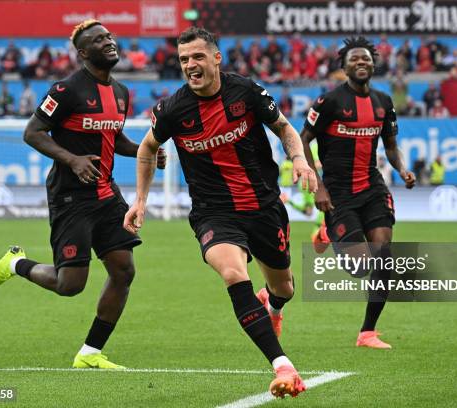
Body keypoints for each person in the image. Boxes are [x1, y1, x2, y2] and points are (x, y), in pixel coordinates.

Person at [123, 27, 316, 398]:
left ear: (215, 57)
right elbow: (148, 148)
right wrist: (141, 200)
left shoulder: (246, 91)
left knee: (285, 288)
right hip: (214, 213)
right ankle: (283, 366)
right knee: (232, 272)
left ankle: (272, 306)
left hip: (263, 207)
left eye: (197, 56)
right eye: (183, 60)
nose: (190, 65)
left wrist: (300, 161)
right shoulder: (172, 109)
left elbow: (285, 129)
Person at [0, 20, 165, 369]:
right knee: (70, 285)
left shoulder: (123, 93)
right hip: (71, 197)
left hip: (107, 194)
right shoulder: (65, 91)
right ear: (83, 53)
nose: (109, 42)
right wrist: (72, 159)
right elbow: (32, 132)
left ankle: (90, 353)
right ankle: (15, 263)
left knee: (124, 270)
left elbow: (116, 139)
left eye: (110, 37)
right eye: (99, 40)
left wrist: (146, 150)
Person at [300, 37, 416, 349]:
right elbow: (302, 140)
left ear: (373, 63)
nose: (361, 62)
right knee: (360, 267)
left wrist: (402, 169)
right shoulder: (329, 102)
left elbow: (390, 145)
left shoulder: (383, 102)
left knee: (383, 257)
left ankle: (368, 333)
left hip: (372, 186)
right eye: (355, 59)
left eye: (366, 58)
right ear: (344, 66)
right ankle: (326, 231)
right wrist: (318, 185)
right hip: (337, 192)